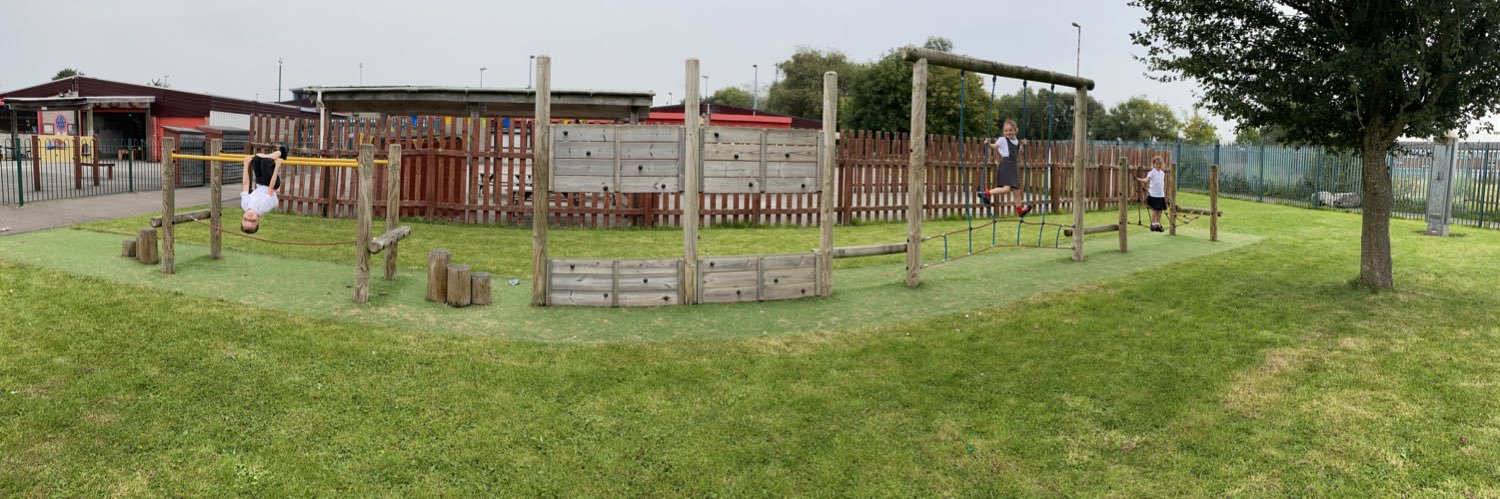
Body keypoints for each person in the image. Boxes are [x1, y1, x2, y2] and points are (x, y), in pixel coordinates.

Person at [977, 119, 1033, 218]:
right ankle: (986, 193)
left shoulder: (1016, 141)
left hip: (1012, 166)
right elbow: (994, 146)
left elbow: (1017, 153)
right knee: (1006, 188)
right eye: (1006, 130)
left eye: (1010, 130)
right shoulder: (1002, 139)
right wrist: (988, 144)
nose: (1008, 132)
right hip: (1006, 165)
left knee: (1017, 191)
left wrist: (1023, 146)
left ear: (1016, 130)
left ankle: (1020, 211)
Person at [239, 145, 287, 234]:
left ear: (242, 217)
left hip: (260, 183)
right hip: (271, 183)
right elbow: (270, 187)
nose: (249, 218)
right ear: (258, 221)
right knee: (266, 161)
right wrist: (277, 166)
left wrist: (246, 165)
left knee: (256, 159)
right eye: (252, 221)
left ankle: (277, 155)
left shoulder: (245, 205)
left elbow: (245, 184)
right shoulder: (262, 208)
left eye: (245, 219)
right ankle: (283, 151)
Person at [1137, 156, 1168, 232]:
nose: (1158, 166)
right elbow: (1146, 180)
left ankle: (1157, 224)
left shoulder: (1162, 173)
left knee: (1160, 210)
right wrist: (1139, 179)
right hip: (1154, 195)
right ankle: (1153, 224)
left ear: (1162, 165)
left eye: (1160, 164)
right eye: (1156, 164)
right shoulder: (1151, 173)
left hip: (1161, 195)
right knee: (1154, 210)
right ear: (1154, 164)